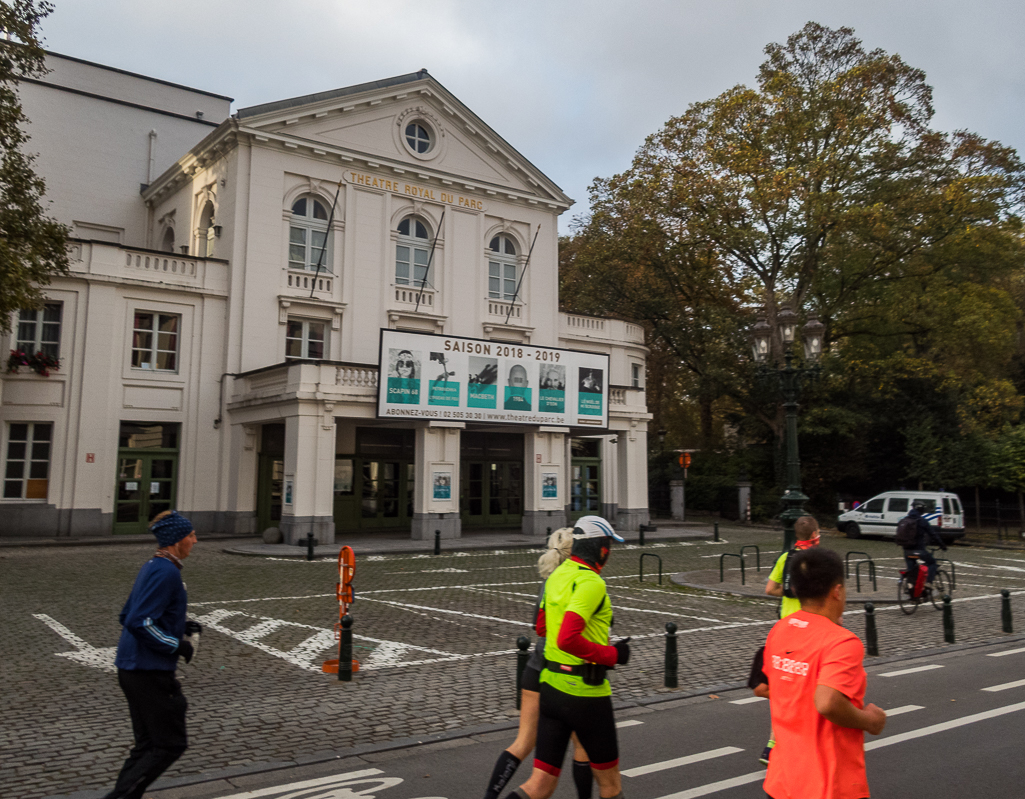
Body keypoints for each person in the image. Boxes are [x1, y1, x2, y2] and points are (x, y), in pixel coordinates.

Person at [503, 515, 630, 799]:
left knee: (540, 785)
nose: (610, 552)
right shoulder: (591, 582)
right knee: (610, 784)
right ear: (601, 548)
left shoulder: (557, 575)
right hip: (586, 693)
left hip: (551, 688)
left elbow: (543, 627)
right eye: (609, 545)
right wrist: (613, 654)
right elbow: (567, 637)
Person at [763, 548, 887, 799]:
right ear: (837, 591)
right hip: (828, 784)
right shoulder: (842, 642)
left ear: (796, 590)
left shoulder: (779, 629)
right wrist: (870, 721)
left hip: (782, 782)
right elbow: (827, 702)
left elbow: (766, 687)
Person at [483, 528, 592, 799]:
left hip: (535, 667)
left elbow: (538, 625)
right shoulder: (581, 580)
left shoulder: (550, 581)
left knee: (522, 744)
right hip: (565, 674)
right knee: (583, 747)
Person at [101, 511, 202, 799]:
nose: (195, 540)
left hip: (132, 668)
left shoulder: (153, 566)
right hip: (149, 672)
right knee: (169, 744)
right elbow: (138, 621)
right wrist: (176, 644)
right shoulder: (166, 572)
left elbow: (127, 614)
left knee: (147, 746)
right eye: (191, 535)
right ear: (176, 540)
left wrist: (181, 625)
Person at [758, 515, 821, 763]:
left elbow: (770, 589)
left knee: (783, 688)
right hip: (811, 631)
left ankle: (773, 744)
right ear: (816, 533)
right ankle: (808, 741)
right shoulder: (818, 560)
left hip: (785, 631)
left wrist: (789, 593)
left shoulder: (787, 558)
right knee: (813, 688)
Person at [901, 499, 947, 587]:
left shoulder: (905, 520)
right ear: (921, 510)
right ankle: (928, 583)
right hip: (919, 551)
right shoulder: (922, 521)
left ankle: (911, 588)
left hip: (907, 551)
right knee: (932, 563)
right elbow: (933, 534)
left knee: (912, 570)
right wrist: (942, 545)